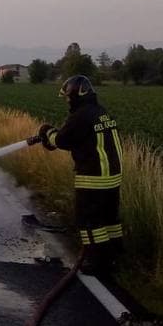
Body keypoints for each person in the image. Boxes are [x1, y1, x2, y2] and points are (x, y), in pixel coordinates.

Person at [37, 75, 123, 276]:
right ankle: (115, 253)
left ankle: (98, 263)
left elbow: (62, 141)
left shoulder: (80, 116)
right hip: (112, 177)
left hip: (93, 177)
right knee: (109, 218)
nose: (67, 101)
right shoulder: (100, 113)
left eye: (67, 97)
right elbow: (80, 138)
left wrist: (47, 132)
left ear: (75, 95)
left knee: (90, 222)